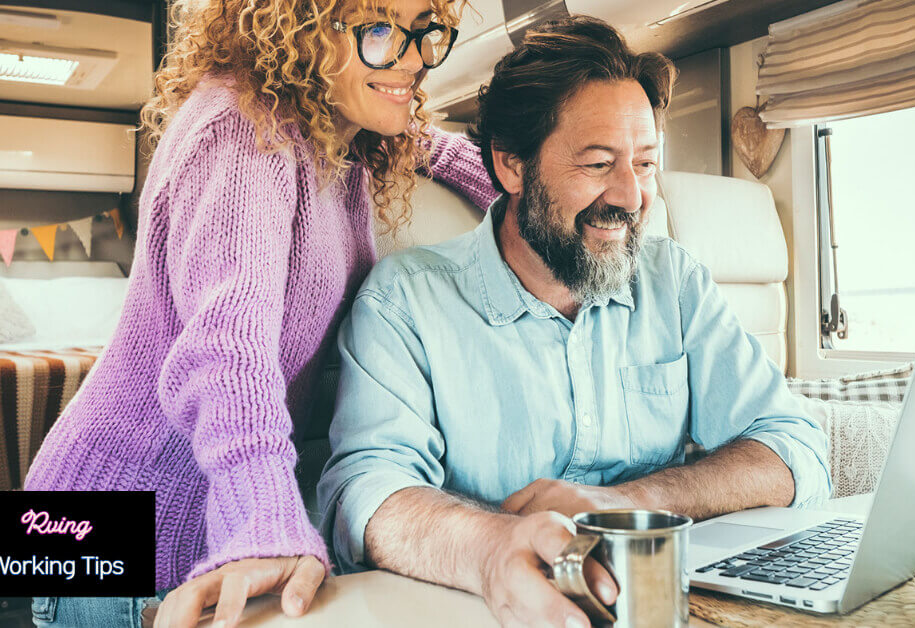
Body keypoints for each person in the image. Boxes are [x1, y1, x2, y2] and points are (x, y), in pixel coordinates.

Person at [317, 15, 832, 628]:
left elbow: (794, 446)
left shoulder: (674, 280)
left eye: (643, 164)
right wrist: (490, 551)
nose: (632, 196)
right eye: (597, 165)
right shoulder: (405, 302)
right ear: (510, 167)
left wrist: (625, 503)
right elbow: (364, 495)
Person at [23, 0, 496, 626]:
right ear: (300, 25)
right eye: (379, 28)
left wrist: (527, 182)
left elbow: (422, 135)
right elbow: (227, 351)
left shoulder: (340, 130)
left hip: (155, 523)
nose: (411, 58)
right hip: (97, 527)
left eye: (426, 30)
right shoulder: (245, 129)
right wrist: (266, 521)